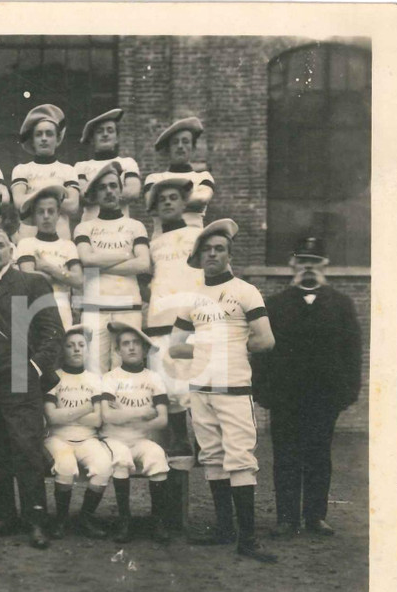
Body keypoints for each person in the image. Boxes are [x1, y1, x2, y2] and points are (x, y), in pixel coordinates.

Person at [167, 219, 278, 563]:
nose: (212, 254)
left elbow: (266, 340)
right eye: (207, 250)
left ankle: (248, 538)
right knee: (213, 457)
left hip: (233, 388)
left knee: (240, 458)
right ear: (199, 257)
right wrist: (206, 350)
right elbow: (175, 346)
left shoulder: (245, 291)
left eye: (219, 249)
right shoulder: (193, 299)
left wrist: (230, 349)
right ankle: (224, 529)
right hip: (201, 389)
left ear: (230, 254)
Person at [0, 227, 65, 549]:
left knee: (26, 448)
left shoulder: (32, 284)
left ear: (11, 249)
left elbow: (53, 332)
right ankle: (3, 516)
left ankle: (36, 520)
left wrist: (34, 368)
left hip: (20, 379)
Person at [253, 237, 362, 539]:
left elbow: (352, 351)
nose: (308, 268)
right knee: (285, 456)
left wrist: (347, 392)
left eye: (314, 261)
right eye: (303, 261)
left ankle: (315, 517)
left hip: (324, 397)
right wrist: (263, 390)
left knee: (318, 455)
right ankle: (286, 519)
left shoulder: (340, 304)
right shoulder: (275, 304)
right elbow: (261, 351)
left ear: (325, 265)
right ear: (292, 264)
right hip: (285, 396)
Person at [145, 178, 204, 466]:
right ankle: (179, 440)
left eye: (173, 198)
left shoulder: (198, 236)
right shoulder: (152, 244)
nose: (168, 202)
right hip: (159, 322)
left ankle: (205, 441)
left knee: (198, 383)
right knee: (169, 387)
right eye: (162, 200)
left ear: (184, 203)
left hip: (191, 320)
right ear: (155, 208)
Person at [99, 322, 172, 544]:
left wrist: (126, 414)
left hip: (141, 439)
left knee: (156, 457)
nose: (131, 348)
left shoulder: (154, 378)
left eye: (136, 344)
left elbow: (162, 419)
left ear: (144, 349)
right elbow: (108, 417)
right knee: (121, 458)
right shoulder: (111, 378)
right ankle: (124, 520)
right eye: (126, 344)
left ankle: (157, 520)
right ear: (118, 350)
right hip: (114, 439)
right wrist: (143, 412)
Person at [74, 161, 151, 372]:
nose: (108, 191)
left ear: (120, 190)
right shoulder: (84, 228)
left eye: (113, 186)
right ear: (96, 194)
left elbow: (143, 263)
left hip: (128, 306)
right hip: (94, 307)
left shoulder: (136, 226)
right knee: (93, 369)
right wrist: (127, 255)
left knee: (125, 371)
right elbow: (87, 260)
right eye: (102, 187)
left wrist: (100, 263)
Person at [43, 325, 111, 540]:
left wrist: (67, 413)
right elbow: (52, 417)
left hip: (88, 437)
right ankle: (61, 520)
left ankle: (85, 518)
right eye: (70, 345)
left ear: (88, 350)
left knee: (103, 466)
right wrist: (86, 407)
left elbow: (98, 419)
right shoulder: (54, 378)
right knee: (65, 466)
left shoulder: (95, 380)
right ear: (62, 350)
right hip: (57, 438)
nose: (76, 350)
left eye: (81, 345)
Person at [15, 185, 83, 330]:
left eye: (51, 211)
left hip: (63, 307)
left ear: (59, 214)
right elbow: (29, 280)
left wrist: (47, 267)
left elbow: (78, 280)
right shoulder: (26, 244)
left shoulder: (68, 245)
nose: (46, 216)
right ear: (34, 215)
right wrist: (64, 276)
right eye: (41, 212)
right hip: (35, 307)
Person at [10, 104, 80, 241]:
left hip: (60, 238)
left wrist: (32, 198)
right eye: (38, 134)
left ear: (57, 139)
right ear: (33, 140)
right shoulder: (21, 170)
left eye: (49, 134)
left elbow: (73, 205)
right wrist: (55, 199)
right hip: (28, 237)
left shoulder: (68, 170)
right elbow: (19, 202)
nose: (44, 138)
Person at [143, 117, 215, 236]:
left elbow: (202, 198)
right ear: (168, 149)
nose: (180, 146)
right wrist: (189, 201)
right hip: (162, 243)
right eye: (175, 142)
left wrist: (165, 200)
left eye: (185, 141)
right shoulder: (154, 179)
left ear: (193, 148)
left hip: (193, 241)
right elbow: (151, 203)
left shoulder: (203, 177)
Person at [75, 108, 142, 224]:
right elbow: (82, 196)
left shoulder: (127, 163)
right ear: (92, 139)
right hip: (91, 228)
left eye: (110, 130)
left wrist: (95, 193)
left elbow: (133, 192)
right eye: (100, 131)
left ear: (117, 138)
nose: (105, 134)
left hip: (121, 227)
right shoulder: (81, 167)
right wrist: (115, 194)